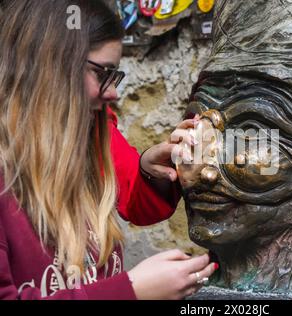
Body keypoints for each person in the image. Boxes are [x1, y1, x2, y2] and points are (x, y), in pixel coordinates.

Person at [0, 0, 217, 300]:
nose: (113, 93)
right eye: (103, 73)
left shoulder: (91, 132)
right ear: (51, 67)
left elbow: (132, 195)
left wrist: (149, 170)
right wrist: (131, 291)